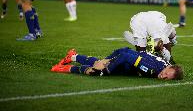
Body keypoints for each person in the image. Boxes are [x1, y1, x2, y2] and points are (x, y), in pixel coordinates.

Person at [51, 47, 184, 80]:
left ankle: (73, 56)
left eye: (168, 77)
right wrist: (107, 70)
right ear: (169, 67)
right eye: (166, 73)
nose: (164, 76)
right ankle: (65, 68)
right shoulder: (152, 68)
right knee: (97, 70)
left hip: (128, 58)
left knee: (99, 63)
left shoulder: (166, 64)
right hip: (124, 57)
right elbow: (125, 56)